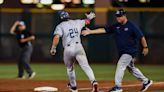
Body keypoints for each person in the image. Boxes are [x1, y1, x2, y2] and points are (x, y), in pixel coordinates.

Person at [82, 9, 153, 92]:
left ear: (124, 16)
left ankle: (118, 87)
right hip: (123, 52)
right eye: (117, 16)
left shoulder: (131, 26)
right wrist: (91, 31)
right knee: (131, 68)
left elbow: (141, 36)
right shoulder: (116, 26)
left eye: (120, 16)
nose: (118, 18)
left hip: (130, 51)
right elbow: (104, 30)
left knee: (121, 65)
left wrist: (145, 47)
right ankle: (146, 81)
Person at [50, 11, 98, 92]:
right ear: (68, 16)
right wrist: (90, 17)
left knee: (70, 69)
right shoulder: (77, 22)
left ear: (61, 18)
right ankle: (94, 82)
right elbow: (87, 21)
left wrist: (53, 48)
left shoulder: (60, 25)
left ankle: (74, 87)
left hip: (68, 49)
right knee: (86, 66)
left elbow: (57, 37)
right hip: (79, 47)